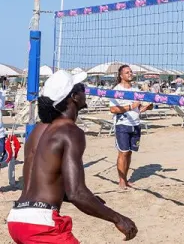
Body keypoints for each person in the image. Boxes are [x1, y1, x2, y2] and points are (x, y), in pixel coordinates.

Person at [6, 70, 137, 243]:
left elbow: (44, 181)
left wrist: (91, 201)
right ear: (74, 96)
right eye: (82, 88)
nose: (86, 91)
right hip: (41, 224)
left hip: (17, 217)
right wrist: (119, 219)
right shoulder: (70, 131)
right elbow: (77, 193)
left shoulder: (38, 131)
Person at [109, 64, 153, 190]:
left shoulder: (136, 89)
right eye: (127, 72)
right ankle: (121, 181)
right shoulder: (116, 90)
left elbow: (140, 107)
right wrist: (131, 106)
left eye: (131, 72)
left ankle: (126, 179)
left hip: (135, 124)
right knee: (123, 153)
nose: (130, 74)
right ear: (121, 75)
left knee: (129, 153)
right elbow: (112, 109)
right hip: (122, 124)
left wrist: (147, 107)